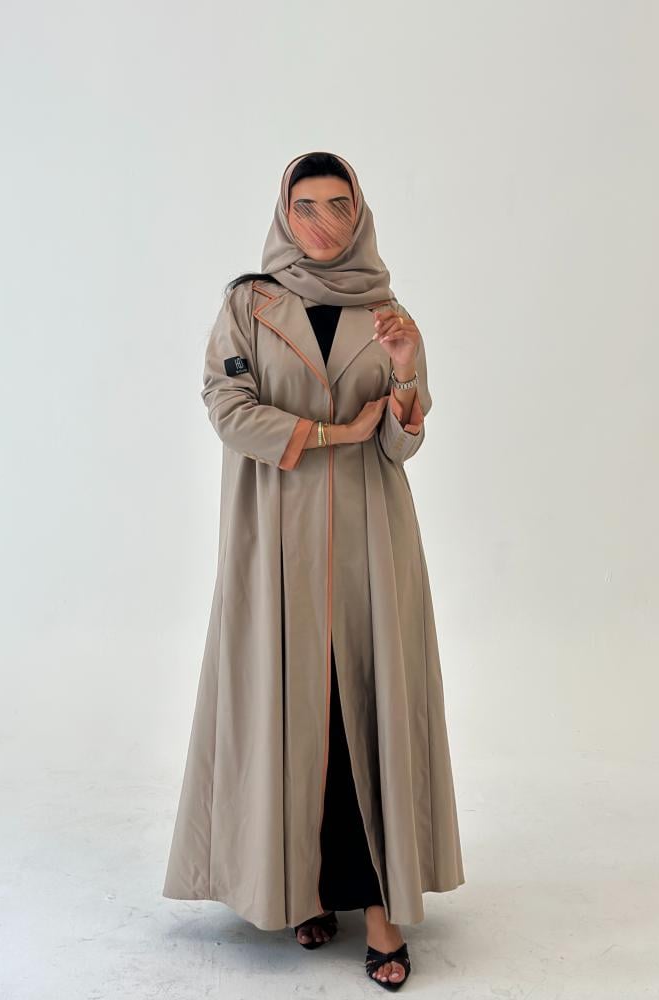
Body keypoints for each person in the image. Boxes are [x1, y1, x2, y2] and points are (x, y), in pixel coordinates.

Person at [162, 150, 465, 990]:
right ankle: (302, 888)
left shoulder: (388, 313)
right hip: (276, 538)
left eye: (338, 205)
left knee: (359, 706)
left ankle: (377, 909)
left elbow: (401, 444)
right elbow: (227, 408)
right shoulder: (249, 304)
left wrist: (406, 372)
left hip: (370, 541)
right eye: (306, 205)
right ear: (283, 212)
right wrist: (334, 432)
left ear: (359, 213)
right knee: (291, 709)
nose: (322, 222)